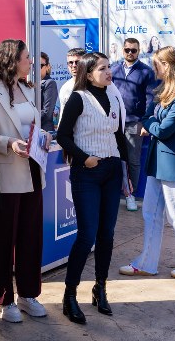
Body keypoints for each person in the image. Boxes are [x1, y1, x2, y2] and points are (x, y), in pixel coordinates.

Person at [55, 51, 127, 324]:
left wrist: (126, 171)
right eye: (102, 69)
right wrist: (84, 157)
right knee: (87, 236)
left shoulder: (113, 96)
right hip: (87, 173)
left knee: (107, 234)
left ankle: (100, 287)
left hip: (111, 170)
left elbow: (119, 135)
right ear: (88, 73)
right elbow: (62, 135)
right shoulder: (78, 98)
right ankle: (70, 295)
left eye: (109, 67)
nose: (109, 72)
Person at [0, 39, 47, 323]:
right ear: (11, 60)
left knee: (31, 236)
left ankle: (28, 294)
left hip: (33, 170)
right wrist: (9, 143)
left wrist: (43, 138)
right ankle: (3, 299)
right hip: (7, 174)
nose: (31, 61)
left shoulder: (29, 89)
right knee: (3, 238)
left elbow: (34, 126)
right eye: (26, 57)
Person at [120, 46, 175, 280]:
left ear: (166, 65)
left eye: (156, 65)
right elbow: (149, 119)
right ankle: (147, 263)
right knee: (151, 213)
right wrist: (152, 123)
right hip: (158, 161)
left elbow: (164, 129)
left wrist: (151, 125)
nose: (153, 69)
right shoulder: (165, 91)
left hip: (172, 162)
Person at [111, 37, 158, 212]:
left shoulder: (146, 72)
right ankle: (114, 193)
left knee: (133, 160)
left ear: (139, 51)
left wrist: (145, 122)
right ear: (123, 50)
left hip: (134, 121)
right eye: (127, 50)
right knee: (113, 158)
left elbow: (150, 99)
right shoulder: (114, 69)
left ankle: (131, 195)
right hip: (114, 122)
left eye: (134, 50)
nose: (130, 53)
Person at [58, 47, 87, 112]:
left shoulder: (98, 83)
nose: (74, 65)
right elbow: (63, 114)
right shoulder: (65, 88)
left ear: (86, 63)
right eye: (71, 62)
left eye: (77, 62)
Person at [39, 52, 59, 131]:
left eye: (39, 66)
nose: (35, 68)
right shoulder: (28, 83)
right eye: (32, 65)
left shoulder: (50, 83)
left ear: (47, 67)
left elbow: (47, 112)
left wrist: (30, 120)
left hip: (44, 130)